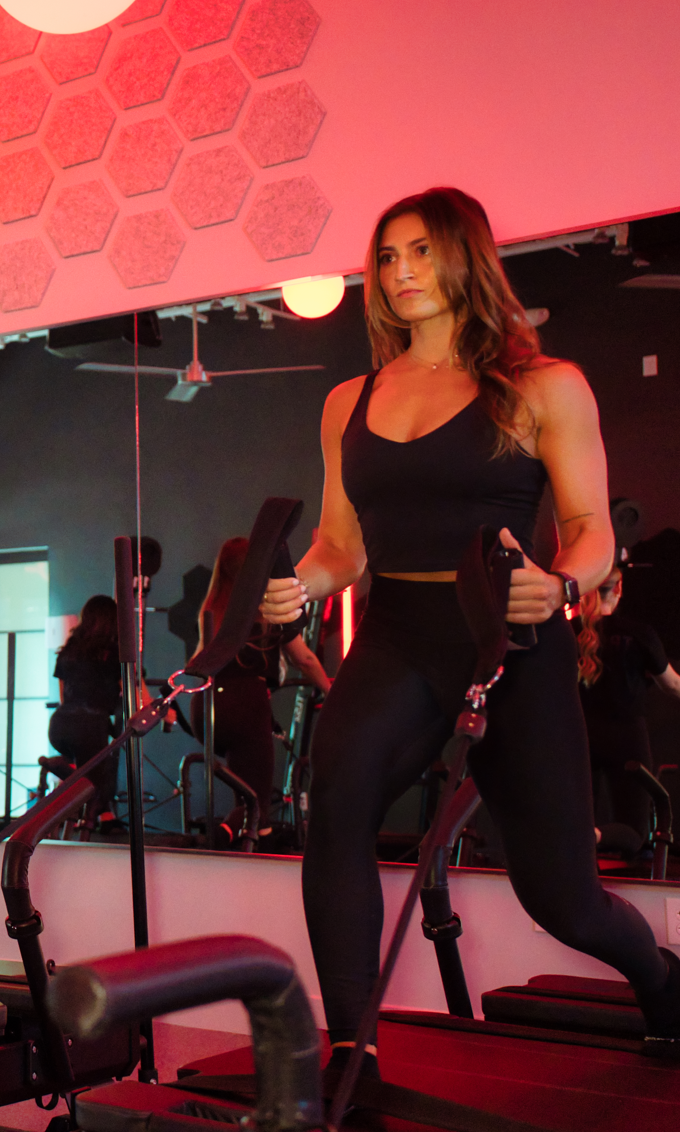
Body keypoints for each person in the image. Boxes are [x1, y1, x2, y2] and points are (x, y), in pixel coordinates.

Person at [261, 187, 680, 1074]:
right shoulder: (348, 401)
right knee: (334, 809)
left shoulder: (542, 386)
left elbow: (592, 530)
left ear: (465, 259)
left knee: (563, 898)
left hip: (509, 642)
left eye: (418, 252)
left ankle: (663, 979)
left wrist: (559, 584)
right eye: (385, 257)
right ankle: (351, 1047)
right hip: (398, 636)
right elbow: (342, 545)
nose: (400, 272)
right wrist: (296, 586)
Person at [198, 537, 330, 844]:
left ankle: (230, 842)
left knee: (243, 791)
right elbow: (305, 659)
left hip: (209, 708)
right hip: (247, 704)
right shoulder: (266, 608)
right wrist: (329, 688)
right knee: (257, 804)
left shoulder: (213, 609)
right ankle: (223, 841)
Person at [577, 566, 680, 853]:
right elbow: (672, 685)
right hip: (626, 739)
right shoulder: (639, 634)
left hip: (577, 736)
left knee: (575, 819)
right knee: (636, 831)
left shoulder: (566, 635)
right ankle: (596, 837)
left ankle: (584, 843)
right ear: (619, 589)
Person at [49, 595, 122, 828]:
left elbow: (63, 695)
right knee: (101, 774)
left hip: (59, 725)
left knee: (94, 771)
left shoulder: (68, 650)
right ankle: (92, 818)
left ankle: (101, 813)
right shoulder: (114, 653)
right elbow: (131, 689)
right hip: (89, 726)